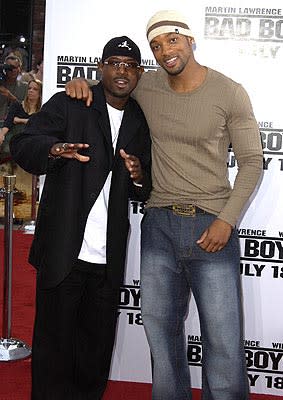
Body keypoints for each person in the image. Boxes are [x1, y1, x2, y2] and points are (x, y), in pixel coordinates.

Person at [66, 10, 263, 400]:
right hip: (158, 227)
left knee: (223, 341)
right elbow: (115, 82)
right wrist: (80, 81)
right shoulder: (148, 87)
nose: (164, 51)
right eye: (156, 46)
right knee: (161, 334)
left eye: (171, 40)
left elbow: (252, 162)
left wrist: (227, 220)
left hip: (212, 227)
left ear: (190, 41)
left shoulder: (229, 91)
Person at [10, 36, 151, 400]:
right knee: (53, 353)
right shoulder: (72, 102)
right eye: (115, 63)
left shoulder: (140, 119)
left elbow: (145, 187)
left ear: (138, 74)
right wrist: (54, 149)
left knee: (94, 355)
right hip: (64, 252)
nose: (122, 71)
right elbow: (23, 144)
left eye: (130, 65)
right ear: (101, 67)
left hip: (107, 261)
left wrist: (137, 176)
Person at [0, 79, 42, 169]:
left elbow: (39, 123)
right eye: (29, 88)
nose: (31, 91)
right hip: (17, 139)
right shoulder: (17, 105)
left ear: (40, 93)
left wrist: (20, 120)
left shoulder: (43, 108)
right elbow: (8, 121)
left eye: (35, 89)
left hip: (33, 141)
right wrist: (2, 134)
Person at [0, 55, 27, 121]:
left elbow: (26, 108)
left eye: (16, 67)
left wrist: (11, 97)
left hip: (14, 124)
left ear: (20, 69)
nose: (13, 70)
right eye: (10, 67)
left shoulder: (25, 87)